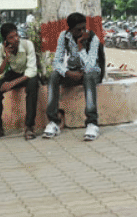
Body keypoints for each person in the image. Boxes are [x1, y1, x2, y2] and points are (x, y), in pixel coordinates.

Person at [43, 12, 100, 141]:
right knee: (53, 76)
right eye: (78, 29)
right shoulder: (64, 36)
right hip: (72, 71)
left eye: (83, 28)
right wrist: (68, 73)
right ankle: (53, 122)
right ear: (70, 29)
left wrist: (81, 47)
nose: (81, 32)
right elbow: (56, 61)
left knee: (88, 76)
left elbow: (90, 65)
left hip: (91, 72)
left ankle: (92, 123)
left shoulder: (92, 38)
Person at [0, 23, 39, 141]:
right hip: (14, 73)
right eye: (11, 37)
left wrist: (12, 84)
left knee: (33, 85)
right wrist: (6, 57)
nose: (16, 39)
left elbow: (31, 70)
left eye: (16, 35)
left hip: (27, 75)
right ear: (5, 40)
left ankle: (29, 127)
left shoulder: (27, 45)